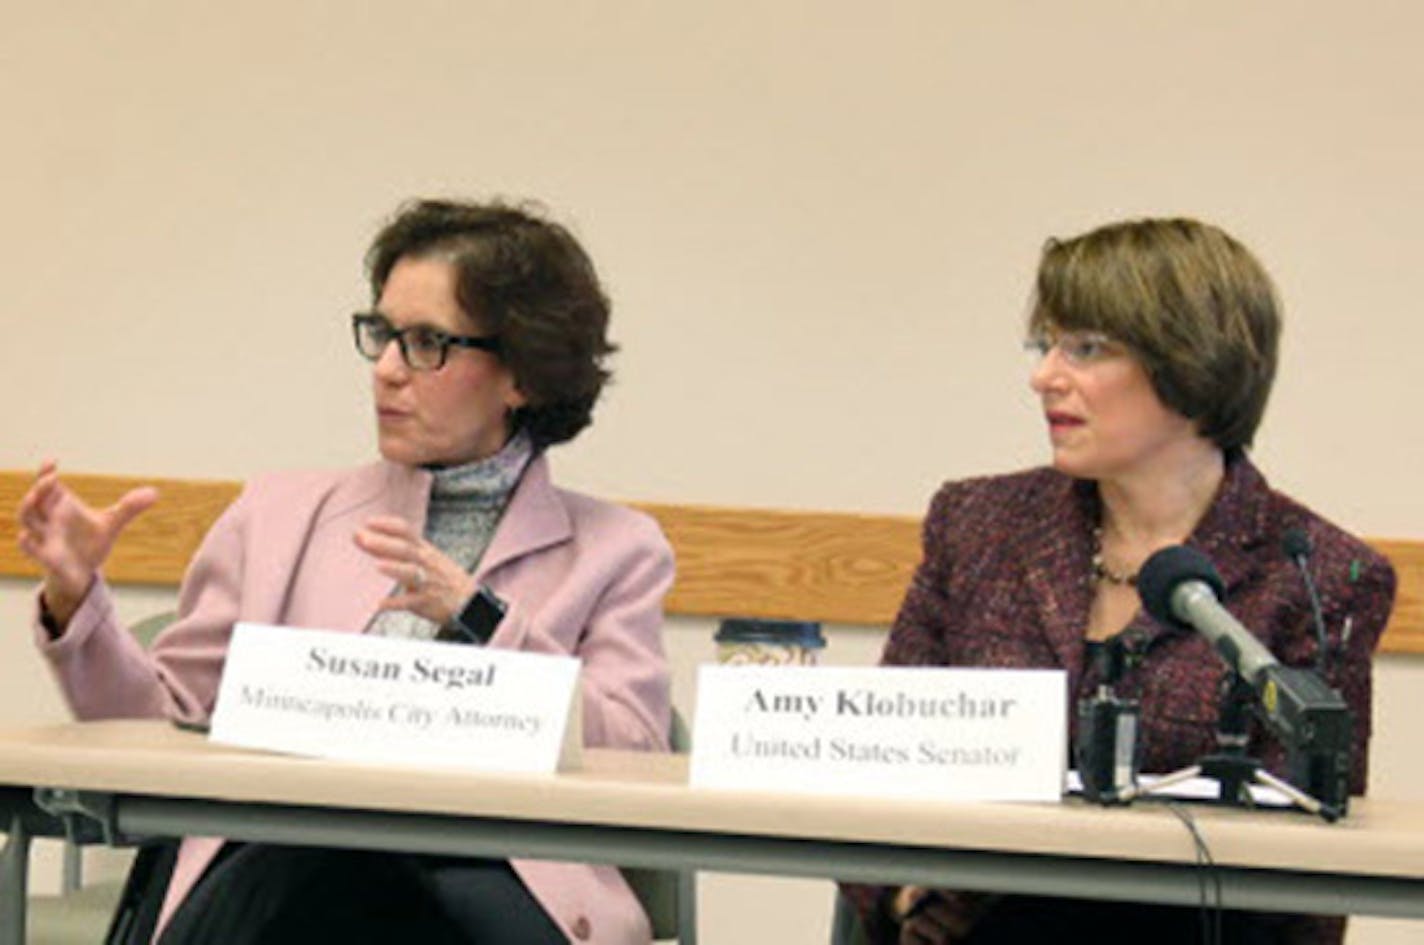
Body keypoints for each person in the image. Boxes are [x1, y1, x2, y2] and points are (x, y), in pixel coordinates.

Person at [17, 199, 675, 945]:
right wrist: (78, 602)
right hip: (282, 870)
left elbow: (633, 757)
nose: (388, 370)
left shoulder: (617, 549)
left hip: (494, 883)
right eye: (383, 334)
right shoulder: (276, 514)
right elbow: (155, 735)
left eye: (427, 342)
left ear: (521, 373)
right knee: (326, 853)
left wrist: (481, 617)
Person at [840, 218, 1396, 945]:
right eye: (1047, 344)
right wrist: (906, 893)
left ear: (1191, 364)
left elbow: (1305, 878)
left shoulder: (1318, 575)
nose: (1044, 376)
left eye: (1087, 348)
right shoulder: (977, 524)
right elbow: (871, 763)